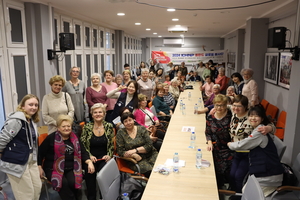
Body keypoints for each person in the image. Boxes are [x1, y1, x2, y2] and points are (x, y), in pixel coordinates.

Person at [228, 105, 283, 197]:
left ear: (262, 118)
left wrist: (229, 145)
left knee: (247, 192)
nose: (253, 118)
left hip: (268, 176)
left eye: (256, 116)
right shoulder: (264, 128)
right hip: (266, 171)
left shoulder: (260, 131)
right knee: (243, 186)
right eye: (251, 115)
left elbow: (242, 145)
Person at [38, 115, 94, 200]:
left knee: (73, 182)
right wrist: (39, 166)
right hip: (53, 168)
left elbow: (83, 151)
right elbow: (40, 153)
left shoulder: (75, 137)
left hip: (71, 167)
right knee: (62, 183)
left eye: (68, 126)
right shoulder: (51, 138)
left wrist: (89, 162)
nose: (66, 128)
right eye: (63, 126)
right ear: (58, 128)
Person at [0, 94, 41, 200]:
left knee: (37, 189)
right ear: (23, 106)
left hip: (31, 159)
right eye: (30, 104)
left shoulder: (31, 121)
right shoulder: (16, 120)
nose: (34, 107)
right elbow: (2, 139)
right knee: (26, 195)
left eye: (36, 105)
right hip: (16, 161)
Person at [80, 103, 114, 200]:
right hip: (91, 158)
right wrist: (89, 156)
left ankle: (105, 197)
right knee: (90, 174)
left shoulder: (109, 126)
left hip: (104, 158)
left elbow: (111, 144)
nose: (97, 114)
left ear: (104, 114)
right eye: (95, 112)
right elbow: (83, 145)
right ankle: (91, 197)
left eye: (100, 112)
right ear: (92, 114)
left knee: (105, 177)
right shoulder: (87, 127)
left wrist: (109, 155)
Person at [116, 112, 158, 178]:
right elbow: (120, 151)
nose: (128, 123)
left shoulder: (142, 129)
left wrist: (135, 150)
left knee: (160, 168)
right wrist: (133, 155)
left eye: (130, 120)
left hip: (151, 154)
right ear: (123, 123)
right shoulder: (120, 133)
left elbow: (149, 145)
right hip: (136, 160)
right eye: (125, 121)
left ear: (134, 120)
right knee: (151, 173)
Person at [205, 94, 234, 188]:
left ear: (226, 105)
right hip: (216, 148)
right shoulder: (210, 117)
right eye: (217, 105)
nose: (219, 107)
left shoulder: (232, 116)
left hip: (230, 149)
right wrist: (209, 143)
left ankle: (229, 189)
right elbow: (208, 133)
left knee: (229, 174)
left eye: (222, 105)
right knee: (215, 172)